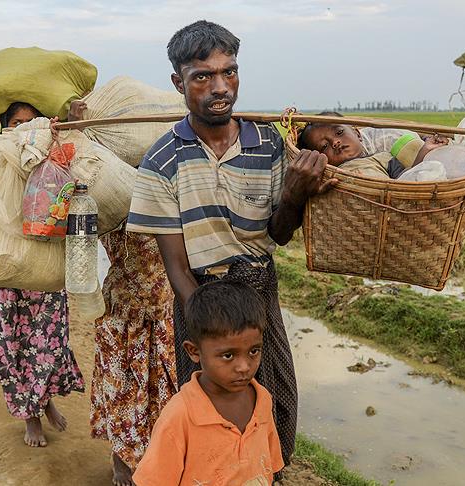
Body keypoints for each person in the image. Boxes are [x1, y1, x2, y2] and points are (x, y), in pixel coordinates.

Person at [125, 20, 332, 474]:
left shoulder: (268, 143)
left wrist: (295, 191)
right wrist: (207, 325)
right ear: (178, 82)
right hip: (200, 295)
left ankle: (263, 475)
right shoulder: (161, 160)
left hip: (258, 289)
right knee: (204, 412)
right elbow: (176, 267)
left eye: (229, 72)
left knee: (276, 404)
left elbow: (278, 233)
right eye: (203, 76)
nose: (220, 87)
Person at [70, 99, 178, 486]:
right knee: (123, 387)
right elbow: (83, 171)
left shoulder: (167, 190)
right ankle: (121, 460)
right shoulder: (114, 195)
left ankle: (153, 460)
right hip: (123, 308)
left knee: (159, 390)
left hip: (163, 309)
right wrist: (81, 128)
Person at [0, 101, 84, 448]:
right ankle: (31, 417)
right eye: (16, 124)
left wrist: (74, 125)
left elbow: (79, 185)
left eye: (31, 123)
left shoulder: (54, 161)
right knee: (11, 343)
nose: (24, 130)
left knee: (48, 342)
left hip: (43, 265)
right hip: (6, 269)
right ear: (4, 128)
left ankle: (45, 400)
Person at [133, 280, 283, 485]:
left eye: (253, 351)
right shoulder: (180, 416)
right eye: (228, 355)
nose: (244, 367)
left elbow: (268, 467)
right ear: (194, 351)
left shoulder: (262, 399)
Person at [297, 111, 449, 179]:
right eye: (324, 146)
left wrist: (425, 150)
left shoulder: (383, 158)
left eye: (339, 133)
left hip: (388, 203)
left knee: (432, 170)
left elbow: (407, 180)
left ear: (357, 133)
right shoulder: (330, 174)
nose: (335, 142)